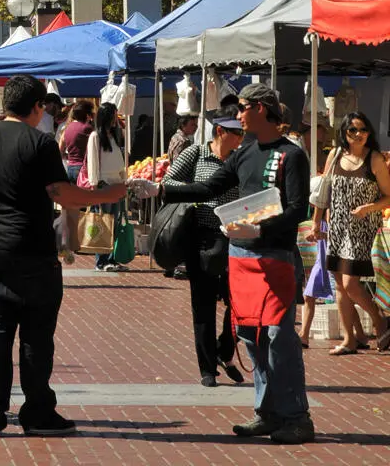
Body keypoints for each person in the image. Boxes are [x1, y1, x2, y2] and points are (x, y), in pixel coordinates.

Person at [134, 83, 314, 444]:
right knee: (250, 336)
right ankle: (267, 413)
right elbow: (210, 188)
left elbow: (297, 209)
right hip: (241, 256)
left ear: (262, 109)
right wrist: (163, 190)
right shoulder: (245, 152)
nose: (238, 115)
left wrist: (260, 224)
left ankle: (297, 417)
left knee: (279, 337)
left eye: (243, 107)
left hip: (274, 257)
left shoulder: (290, 155)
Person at [0, 74, 127, 437]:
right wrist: (109, 195)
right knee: (36, 335)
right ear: (38, 107)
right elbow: (62, 194)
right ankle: (37, 411)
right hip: (32, 250)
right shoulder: (39, 143)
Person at [164, 117, 245, 386]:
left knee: (237, 301)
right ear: (220, 131)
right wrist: (196, 197)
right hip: (201, 237)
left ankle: (224, 349)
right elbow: (169, 182)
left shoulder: (240, 159)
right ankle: (207, 368)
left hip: (234, 237)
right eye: (236, 133)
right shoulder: (196, 153)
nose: (241, 138)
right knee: (203, 303)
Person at [306, 111, 390, 353]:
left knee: (350, 284)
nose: (358, 134)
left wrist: (369, 207)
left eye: (363, 130)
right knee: (339, 286)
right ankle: (349, 339)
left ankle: (379, 319)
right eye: (353, 130)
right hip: (338, 228)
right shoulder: (335, 155)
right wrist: (316, 223)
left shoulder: (374, 159)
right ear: (344, 133)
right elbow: (323, 194)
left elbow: (388, 196)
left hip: (362, 230)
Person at [83, 102, 128, 272]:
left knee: (114, 223)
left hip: (116, 184)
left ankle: (111, 258)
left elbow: (119, 160)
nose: (115, 119)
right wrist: (94, 184)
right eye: (113, 115)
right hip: (104, 185)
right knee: (103, 223)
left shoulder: (114, 136)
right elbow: (93, 162)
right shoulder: (95, 136)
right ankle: (101, 261)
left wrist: (124, 180)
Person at [58, 101, 94, 182]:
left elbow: (60, 151)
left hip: (70, 168)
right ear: (87, 115)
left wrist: (70, 156)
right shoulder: (88, 128)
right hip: (83, 168)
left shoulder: (67, 128)